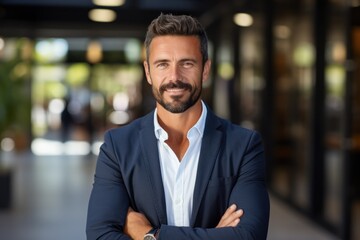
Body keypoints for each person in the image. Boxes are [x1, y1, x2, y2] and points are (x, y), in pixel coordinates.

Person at [86, 13, 270, 240]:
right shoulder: (118, 146)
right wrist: (215, 235)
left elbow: (249, 236)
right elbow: (100, 235)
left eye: (187, 63)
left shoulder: (243, 145)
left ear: (205, 69)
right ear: (148, 72)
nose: (174, 77)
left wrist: (149, 235)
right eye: (162, 64)